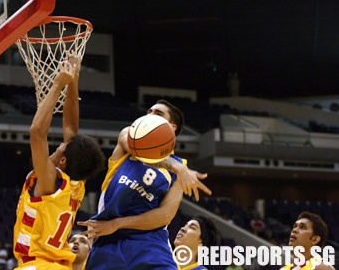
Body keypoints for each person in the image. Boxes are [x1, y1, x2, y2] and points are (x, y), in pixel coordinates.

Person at [79, 100, 212, 269]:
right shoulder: (128, 139)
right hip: (107, 242)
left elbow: (165, 216)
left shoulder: (179, 170)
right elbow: (143, 149)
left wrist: (118, 223)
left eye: (158, 113)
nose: (150, 114)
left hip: (149, 245)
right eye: (149, 111)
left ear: (171, 128)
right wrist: (177, 167)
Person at [12, 55, 106, 269]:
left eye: (58, 149)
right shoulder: (76, 184)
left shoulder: (49, 179)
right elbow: (71, 128)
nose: (57, 148)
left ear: (62, 160)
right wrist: (73, 80)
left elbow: (37, 133)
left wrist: (57, 85)